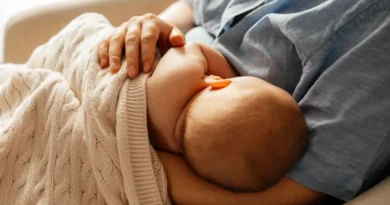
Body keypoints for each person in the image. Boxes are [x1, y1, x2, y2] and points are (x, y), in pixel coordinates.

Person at [98, 0, 390, 204]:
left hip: (118, 87)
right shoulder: (185, 137)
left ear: (217, 81)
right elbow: (194, 6)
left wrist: (142, 169)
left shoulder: (378, 34)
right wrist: (150, 25)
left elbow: (299, 189)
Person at [147, 42, 307, 192]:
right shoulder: (172, 154)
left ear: (218, 83)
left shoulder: (178, 80)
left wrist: (229, 73)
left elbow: (189, 48)